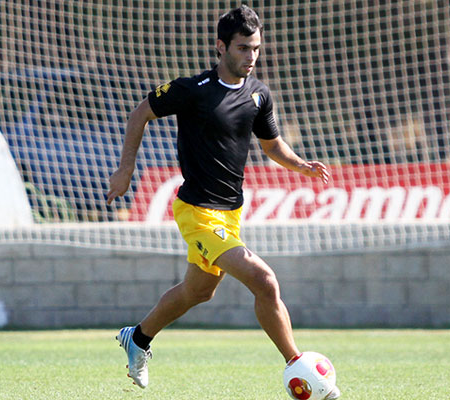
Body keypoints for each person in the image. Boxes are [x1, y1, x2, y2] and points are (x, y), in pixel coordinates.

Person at [107, 5, 338, 398]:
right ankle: (300, 367)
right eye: (244, 48)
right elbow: (140, 113)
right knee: (264, 281)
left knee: (198, 291)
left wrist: (300, 165)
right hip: (197, 212)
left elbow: (271, 144)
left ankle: (139, 338)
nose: (251, 57)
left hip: (230, 213)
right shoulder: (192, 91)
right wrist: (125, 168)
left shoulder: (259, 96)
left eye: (257, 49)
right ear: (221, 46)